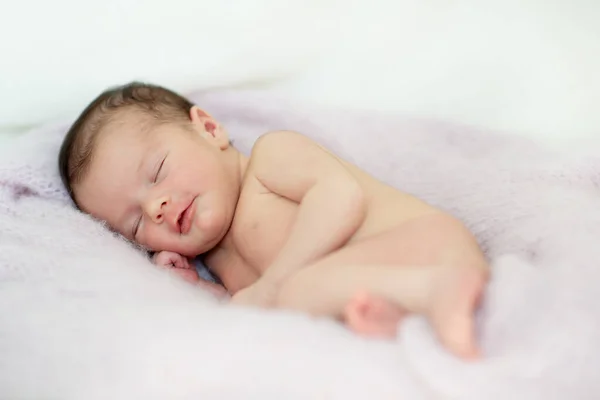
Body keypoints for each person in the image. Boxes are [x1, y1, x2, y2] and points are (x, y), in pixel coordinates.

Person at [58, 82, 490, 359]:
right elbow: (253, 303)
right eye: (135, 225)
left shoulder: (270, 158)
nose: (156, 207)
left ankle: (439, 286)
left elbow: (340, 197)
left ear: (209, 129)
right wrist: (199, 287)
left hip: (420, 242)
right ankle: (399, 317)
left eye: (157, 172)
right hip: (368, 279)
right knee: (297, 303)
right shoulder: (221, 258)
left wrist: (277, 281)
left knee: (298, 291)